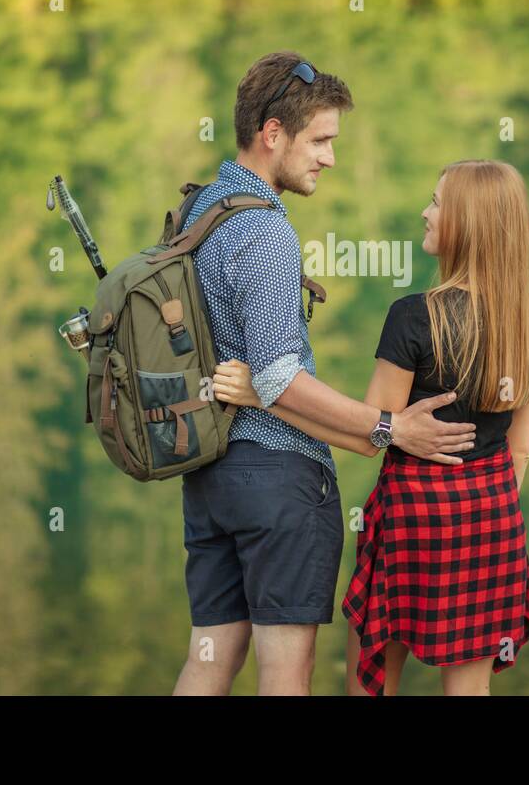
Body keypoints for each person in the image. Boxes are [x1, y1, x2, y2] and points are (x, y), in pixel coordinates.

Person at [172, 51, 477, 697]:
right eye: (320, 140)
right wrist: (389, 427)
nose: (330, 158)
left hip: (211, 477)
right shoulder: (267, 233)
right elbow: (279, 379)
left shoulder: (203, 210)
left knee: (209, 660)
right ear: (272, 133)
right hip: (280, 486)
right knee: (287, 674)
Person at [214, 159, 529, 695]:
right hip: (492, 521)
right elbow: (520, 451)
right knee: (469, 690)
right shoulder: (528, 326)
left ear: (467, 223)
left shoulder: (415, 317)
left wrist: (263, 395)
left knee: (372, 682)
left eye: (438, 203)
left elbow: (371, 433)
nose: (426, 211)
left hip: (413, 518)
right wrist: (485, 511)